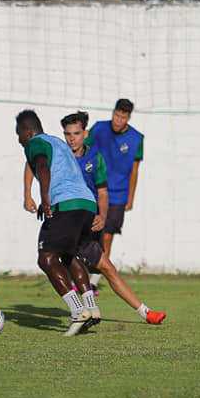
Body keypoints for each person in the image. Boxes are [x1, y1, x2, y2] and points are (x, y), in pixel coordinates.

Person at [62, 111, 165, 325]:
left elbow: (102, 192)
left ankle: (146, 312)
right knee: (64, 263)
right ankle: (83, 311)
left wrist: (101, 215)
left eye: (76, 133)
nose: (72, 138)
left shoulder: (95, 158)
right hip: (64, 224)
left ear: (85, 134)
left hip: (86, 225)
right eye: (67, 134)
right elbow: (34, 166)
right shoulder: (59, 157)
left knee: (106, 267)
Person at [17, 109, 99, 336]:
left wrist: (45, 198)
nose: (19, 140)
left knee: (46, 258)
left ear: (27, 131)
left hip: (66, 204)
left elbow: (42, 166)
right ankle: (92, 308)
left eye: (18, 135)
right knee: (68, 255)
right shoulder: (57, 142)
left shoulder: (34, 143)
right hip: (86, 204)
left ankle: (77, 311)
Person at [85, 98, 143, 289]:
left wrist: (130, 198)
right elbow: (82, 150)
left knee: (107, 235)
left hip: (118, 195)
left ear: (128, 118)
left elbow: (134, 170)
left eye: (123, 117)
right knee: (88, 233)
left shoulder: (136, 138)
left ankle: (93, 281)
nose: (118, 120)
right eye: (116, 115)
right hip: (94, 191)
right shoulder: (99, 128)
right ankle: (82, 272)